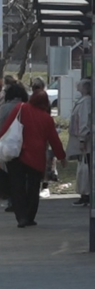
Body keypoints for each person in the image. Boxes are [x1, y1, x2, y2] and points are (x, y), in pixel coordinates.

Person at [0, 89, 66, 228]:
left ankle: (21, 217)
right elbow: (54, 140)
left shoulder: (20, 108)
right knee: (33, 188)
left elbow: (7, 127)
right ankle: (30, 216)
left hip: (17, 154)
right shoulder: (47, 119)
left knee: (17, 187)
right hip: (36, 157)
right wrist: (61, 157)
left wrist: (2, 143)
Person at [0, 81, 29, 213]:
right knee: (24, 175)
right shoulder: (27, 106)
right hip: (25, 145)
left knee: (12, 175)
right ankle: (24, 200)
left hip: (9, 144)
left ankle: (13, 201)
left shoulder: (5, 108)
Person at [66, 77, 92, 207]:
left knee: (85, 166)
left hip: (85, 141)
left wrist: (82, 139)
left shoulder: (85, 102)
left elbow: (83, 121)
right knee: (83, 165)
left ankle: (86, 193)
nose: (77, 88)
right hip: (82, 140)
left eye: (79, 86)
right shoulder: (83, 101)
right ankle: (84, 193)